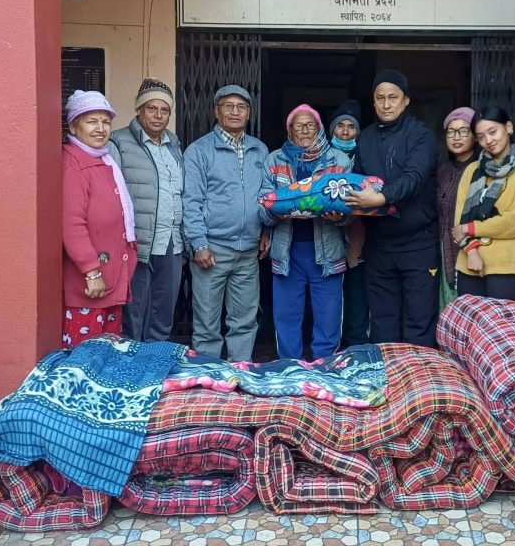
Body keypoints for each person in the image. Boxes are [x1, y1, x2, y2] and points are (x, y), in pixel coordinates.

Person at [346, 70, 439, 348]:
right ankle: (386, 374)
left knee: (418, 323)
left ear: (406, 100)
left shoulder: (422, 136)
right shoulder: (365, 138)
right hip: (379, 246)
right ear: (373, 101)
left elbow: (414, 178)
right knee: (382, 323)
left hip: (418, 244)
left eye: (393, 98)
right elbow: (356, 183)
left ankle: (417, 376)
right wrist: (339, 208)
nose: (386, 104)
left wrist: (382, 197)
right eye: (380, 98)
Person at [182, 85, 269, 361]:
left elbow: (267, 197)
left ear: (249, 113)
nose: (235, 112)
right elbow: (191, 201)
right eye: (228, 106)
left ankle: (239, 372)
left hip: (249, 251)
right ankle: (207, 374)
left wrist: (266, 230)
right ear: (216, 112)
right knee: (207, 323)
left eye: (241, 107)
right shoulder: (199, 151)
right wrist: (199, 244)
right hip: (212, 249)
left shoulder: (259, 150)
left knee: (244, 321)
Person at [259, 104, 352, 360]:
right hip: (288, 253)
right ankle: (290, 367)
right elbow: (262, 206)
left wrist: (341, 217)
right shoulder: (274, 160)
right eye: (298, 125)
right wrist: (275, 212)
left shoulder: (339, 161)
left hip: (328, 252)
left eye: (311, 125)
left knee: (328, 317)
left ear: (320, 129)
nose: (305, 130)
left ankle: (324, 366)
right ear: (289, 130)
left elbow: (351, 208)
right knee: (286, 317)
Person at [108, 77, 183, 342]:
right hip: (136, 240)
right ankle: (132, 358)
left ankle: (156, 358)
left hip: (170, 241)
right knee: (133, 309)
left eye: (165, 110)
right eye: (152, 109)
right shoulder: (118, 142)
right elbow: (112, 195)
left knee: (164, 308)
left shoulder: (174, 144)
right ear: (139, 110)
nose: (158, 115)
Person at [62, 90, 137, 349]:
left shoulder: (103, 160)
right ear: (74, 126)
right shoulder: (73, 164)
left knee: (107, 353)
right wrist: (91, 271)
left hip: (110, 279)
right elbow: (72, 224)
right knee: (85, 356)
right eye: (91, 121)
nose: (100, 128)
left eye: (105, 122)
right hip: (89, 284)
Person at [452, 106, 515, 304]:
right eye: (481, 137)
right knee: (470, 323)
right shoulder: (471, 170)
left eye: (493, 132)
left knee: (504, 325)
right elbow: (459, 222)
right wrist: (472, 251)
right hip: (469, 265)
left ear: (508, 127)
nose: (488, 141)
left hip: (506, 268)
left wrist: (471, 228)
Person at [329, 99, 369, 347]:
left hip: (358, 234)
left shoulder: (367, 156)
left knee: (356, 291)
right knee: (328, 295)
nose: (345, 131)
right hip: (327, 234)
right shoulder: (322, 156)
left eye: (351, 126)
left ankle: (355, 345)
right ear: (332, 129)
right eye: (340, 125)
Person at [437, 106, 477, 309]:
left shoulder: (481, 170)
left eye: (463, 131)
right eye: (451, 132)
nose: (456, 137)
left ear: (475, 136)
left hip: (472, 250)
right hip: (444, 249)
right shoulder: (442, 169)